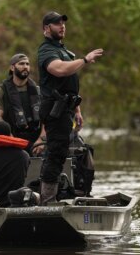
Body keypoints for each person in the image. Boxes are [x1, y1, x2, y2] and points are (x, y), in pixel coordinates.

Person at [37, 11, 103, 205]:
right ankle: (47, 201)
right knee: (55, 153)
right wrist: (84, 60)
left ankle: (52, 197)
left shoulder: (62, 50)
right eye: (57, 24)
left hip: (66, 109)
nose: (62, 26)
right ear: (46, 29)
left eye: (63, 23)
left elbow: (69, 84)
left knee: (60, 152)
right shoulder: (47, 50)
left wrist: (77, 110)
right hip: (54, 110)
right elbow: (59, 69)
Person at [0, 53, 46, 155]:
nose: (25, 67)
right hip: (11, 139)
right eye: (21, 64)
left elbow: (46, 119)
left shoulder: (38, 91)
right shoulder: (1, 91)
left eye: (27, 64)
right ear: (12, 67)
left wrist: (41, 140)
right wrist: (11, 140)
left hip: (36, 140)